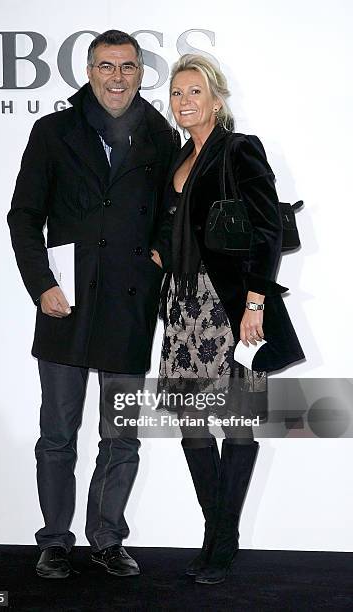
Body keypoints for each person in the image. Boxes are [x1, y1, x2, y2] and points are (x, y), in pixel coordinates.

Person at [7, 30, 180, 579]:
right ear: (88, 71)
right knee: (58, 433)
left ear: (140, 72)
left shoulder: (159, 135)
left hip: (128, 308)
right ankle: (55, 540)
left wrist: (157, 255)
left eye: (127, 67)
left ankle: (106, 538)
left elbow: (170, 216)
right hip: (64, 305)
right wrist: (42, 286)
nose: (117, 77)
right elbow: (24, 216)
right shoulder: (53, 131)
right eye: (106, 66)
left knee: (121, 433)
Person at [151, 54, 304, 585]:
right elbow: (174, 227)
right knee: (192, 424)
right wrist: (161, 253)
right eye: (176, 93)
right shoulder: (175, 158)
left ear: (217, 99)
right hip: (183, 306)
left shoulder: (239, 149)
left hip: (229, 305)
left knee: (236, 422)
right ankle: (218, 532)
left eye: (195, 91)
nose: (185, 101)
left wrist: (255, 302)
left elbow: (266, 230)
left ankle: (222, 540)